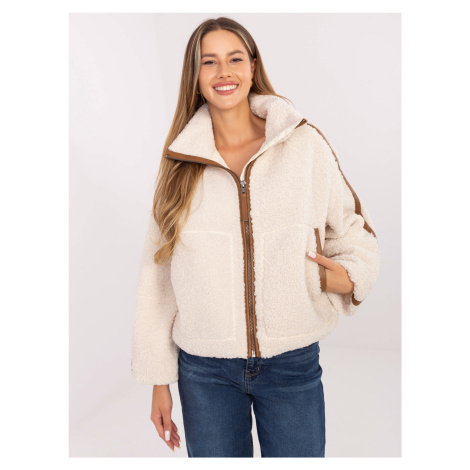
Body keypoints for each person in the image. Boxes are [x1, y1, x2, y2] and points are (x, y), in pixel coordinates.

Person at [131, 17, 381, 458]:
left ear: (252, 66)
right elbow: (158, 277)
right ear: (195, 76)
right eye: (209, 62)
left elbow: (352, 229)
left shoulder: (303, 145)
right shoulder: (180, 162)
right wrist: (158, 381)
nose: (223, 72)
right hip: (204, 370)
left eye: (234, 59)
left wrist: (336, 278)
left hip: (291, 362)